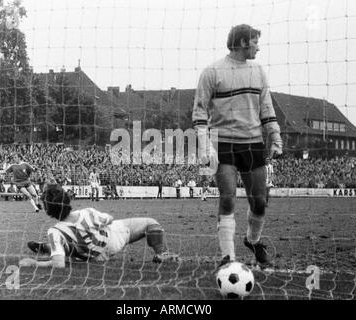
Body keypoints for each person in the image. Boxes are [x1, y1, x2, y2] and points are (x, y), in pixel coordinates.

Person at [192, 24, 283, 268]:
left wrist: (275, 135)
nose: (258, 47)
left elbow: (267, 108)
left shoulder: (259, 72)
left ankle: (253, 240)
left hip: (253, 143)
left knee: (260, 202)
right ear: (243, 42)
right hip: (222, 143)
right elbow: (199, 112)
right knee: (228, 198)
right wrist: (204, 145)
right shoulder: (212, 72)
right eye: (255, 42)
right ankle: (228, 258)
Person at [19, 186, 179, 268]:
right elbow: (109, 219)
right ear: (68, 199)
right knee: (150, 223)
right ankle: (162, 253)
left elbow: (58, 265)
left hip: (92, 256)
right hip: (114, 239)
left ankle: (48, 247)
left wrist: (35, 263)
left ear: (48, 210)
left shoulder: (54, 231)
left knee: (68, 243)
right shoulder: (88, 212)